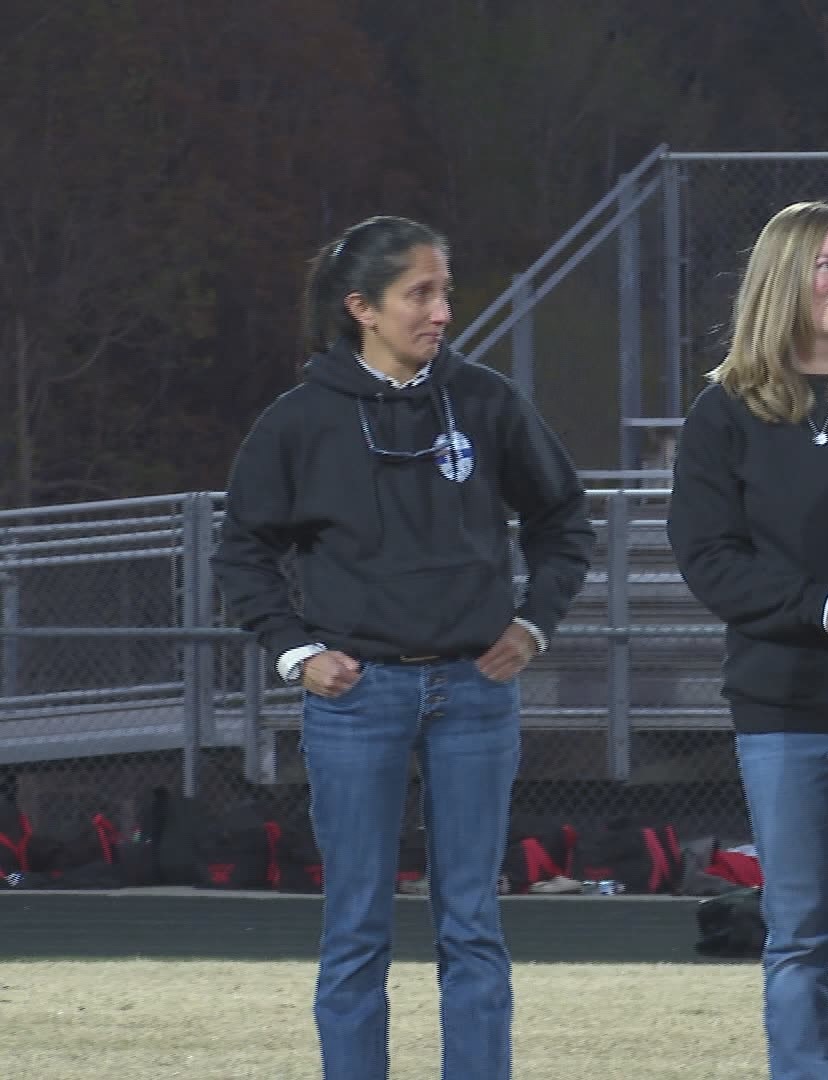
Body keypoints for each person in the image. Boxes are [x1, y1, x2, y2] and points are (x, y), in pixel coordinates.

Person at [212, 215, 594, 1080]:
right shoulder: (300, 421)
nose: (441, 311)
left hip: (474, 694)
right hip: (355, 701)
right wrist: (292, 651)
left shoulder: (487, 401)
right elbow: (241, 550)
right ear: (362, 308)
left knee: (472, 924)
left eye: (445, 291)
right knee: (355, 927)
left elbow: (564, 519)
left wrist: (534, 624)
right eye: (419, 293)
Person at [667, 201, 828, 1078]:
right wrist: (821, 607)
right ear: (784, 280)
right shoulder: (724, 413)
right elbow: (708, 559)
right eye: (827, 266)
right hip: (782, 707)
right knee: (799, 936)